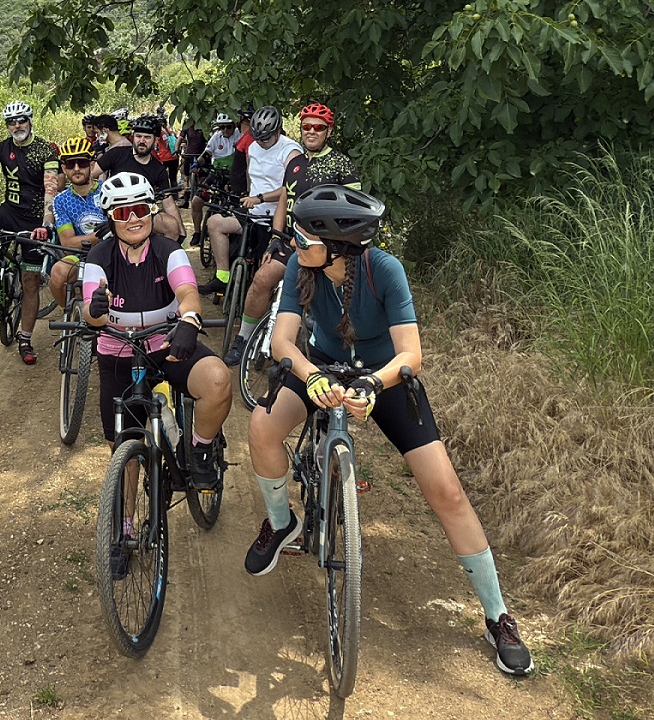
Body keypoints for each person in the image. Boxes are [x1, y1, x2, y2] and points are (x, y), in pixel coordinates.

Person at [244, 184, 534, 676]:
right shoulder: (300, 266)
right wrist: (311, 374)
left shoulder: (385, 271)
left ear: (335, 247)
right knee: (262, 427)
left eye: (301, 235)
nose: (292, 242)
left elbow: (411, 355)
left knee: (448, 491)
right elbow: (281, 342)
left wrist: (373, 385)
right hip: (321, 368)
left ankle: (498, 615)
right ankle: (281, 521)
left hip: (384, 376)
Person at [83, 172, 232, 499]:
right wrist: (95, 309)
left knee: (218, 380)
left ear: (152, 210)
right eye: (123, 213)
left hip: (167, 344)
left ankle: (201, 450)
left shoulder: (168, 251)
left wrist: (190, 320)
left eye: (141, 209)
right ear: (111, 218)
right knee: (123, 447)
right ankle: (126, 525)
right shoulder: (99, 258)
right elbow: (90, 316)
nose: (134, 218)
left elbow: (187, 291)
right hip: (118, 354)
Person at [224, 102, 360, 367]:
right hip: (292, 241)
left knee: (324, 300)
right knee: (262, 279)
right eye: (306, 126)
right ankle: (243, 337)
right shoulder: (295, 162)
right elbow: (284, 200)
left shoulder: (341, 164)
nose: (311, 131)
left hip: (327, 247)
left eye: (318, 127)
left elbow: (354, 208)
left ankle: (324, 351)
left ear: (328, 131)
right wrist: (276, 237)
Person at [0, 101, 62, 365]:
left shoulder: (45, 149)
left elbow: (50, 190)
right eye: (11, 122)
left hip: (34, 221)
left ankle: (26, 338)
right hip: (8, 213)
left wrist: (47, 223)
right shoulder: (2, 148)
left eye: (21, 120)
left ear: (30, 121)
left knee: (29, 281)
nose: (16, 126)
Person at [200, 106, 300, 309]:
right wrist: (246, 195)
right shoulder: (253, 147)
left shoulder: (291, 150)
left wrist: (261, 198)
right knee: (215, 223)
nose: (261, 142)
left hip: (275, 217)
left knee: (265, 268)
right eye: (258, 137)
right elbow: (250, 175)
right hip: (252, 212)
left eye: (266, 138)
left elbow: (289, 188)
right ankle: (223, 275)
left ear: (278, 132)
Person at [94, 115, 181, 240]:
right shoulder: (117, 154)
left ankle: (163, 258)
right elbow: (91, 176)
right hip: (114, 211)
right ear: (133, 137)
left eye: (147, 137)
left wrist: (180, 230)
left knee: (171, 225)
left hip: (142, 213)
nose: (142, 141)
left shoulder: (159, 169)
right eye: (138, 136)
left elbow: (169, 204)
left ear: (155, 140)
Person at [47, 136, 105, 313]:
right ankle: (75, 314)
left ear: (92, 164)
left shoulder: (108, 190)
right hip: (79, 256)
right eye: (71, 165)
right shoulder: (60, 201)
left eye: (82, 163)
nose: (77, 168)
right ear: (64, 168)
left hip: (110, 253)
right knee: (57, 274)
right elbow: (67, 244)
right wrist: (102, 234)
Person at [189, 112, 237, 245]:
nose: (225, 130)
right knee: (196, 201)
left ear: (234, 126)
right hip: (216, 174)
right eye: (222, 127)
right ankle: (197, 233)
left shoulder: (239, 135)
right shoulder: (216, 137)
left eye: (228, 127)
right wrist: (196, 164)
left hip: (233, 177)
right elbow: (206, 154)